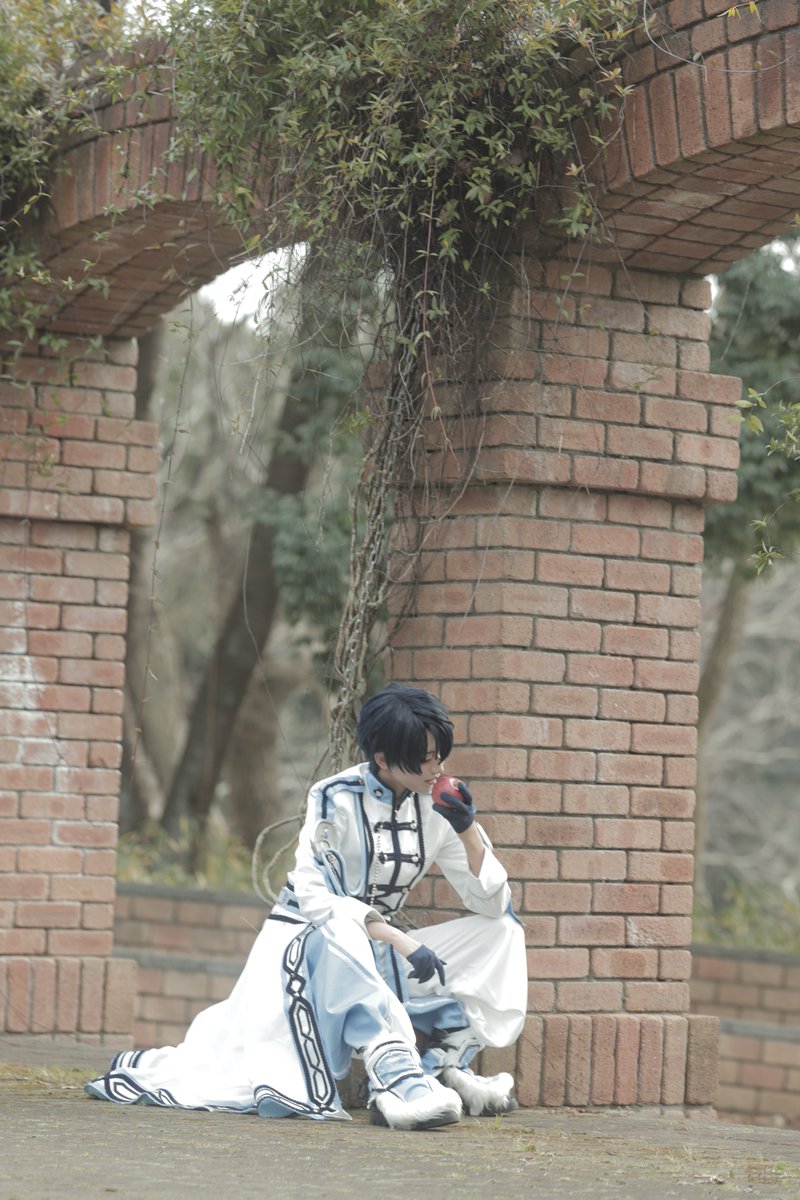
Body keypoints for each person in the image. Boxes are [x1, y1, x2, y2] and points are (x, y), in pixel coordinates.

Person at [86, 683, 528, 1130]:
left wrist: (466, 831)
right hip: (307, 944)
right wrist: (399, 940)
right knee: (343, 929)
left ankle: (443, 1065)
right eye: (426, 758)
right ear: (383, 758)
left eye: (440, 756)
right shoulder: (335, 796)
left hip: (376, 948)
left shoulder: (435, 805)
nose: (438, 768)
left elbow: (494, 905)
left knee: (502, 933)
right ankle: (394, 1084)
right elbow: (318, 899)